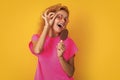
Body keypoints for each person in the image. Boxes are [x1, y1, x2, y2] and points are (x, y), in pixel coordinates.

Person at [29, 3, 78, 80]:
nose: (63, 20)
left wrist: (61, 57)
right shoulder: (37, 38)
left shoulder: (69, 42)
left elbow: (70, 73)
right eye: (59, 17)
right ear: (50, 18)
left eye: (65, 19)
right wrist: (47, 26)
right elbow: (37, 50)